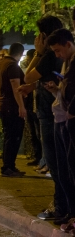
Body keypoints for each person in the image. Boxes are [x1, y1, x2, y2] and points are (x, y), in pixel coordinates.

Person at [18, 16, 65, 220]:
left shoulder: (48, 55)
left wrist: (37, 53)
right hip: (55, 112)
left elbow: (28, 75)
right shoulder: (60, 54)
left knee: (55, 162)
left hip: (52, 115)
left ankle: (60, 205)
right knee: (59, 161)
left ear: (44, 36)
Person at [45, 29, 75, 226]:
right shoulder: (67, 63)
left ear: (68, 44)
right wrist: (58, 91)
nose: (57, 55)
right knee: (65, 170)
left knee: (70, 170)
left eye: (58, 50)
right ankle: (70, 212)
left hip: (69, 119)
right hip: (63, 117)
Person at [0, 43, 27, 177]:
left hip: (3, 104)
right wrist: (21, 106)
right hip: (11, 106)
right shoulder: (13, 66)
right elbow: (16, 87)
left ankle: (9, 166)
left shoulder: (2, 64)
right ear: (20, 54)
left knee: (9, 136)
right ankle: (8, 166)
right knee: (14, 136)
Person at [20, 49, 43, 167]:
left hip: (39, 107)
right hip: (32, 106)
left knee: (41, 135)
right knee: (35, 134)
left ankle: (43, 161)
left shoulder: (40, 70)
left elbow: (27, 78)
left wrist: (37, 55)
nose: (28, 61)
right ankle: (38, 157)